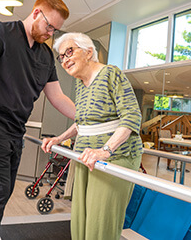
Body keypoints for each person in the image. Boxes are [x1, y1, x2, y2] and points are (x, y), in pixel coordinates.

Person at [0, 0, 76, 240]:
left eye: (56, 30)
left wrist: (89, 115)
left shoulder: (45, 56)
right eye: (49, 27)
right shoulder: (1, 34)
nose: (51, 33)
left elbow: (58, 97)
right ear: (36, 13)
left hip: (15, 133)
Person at [42, 32, 142, 240]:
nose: (65, 59)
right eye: (61, 57)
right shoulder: (81, 83)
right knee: (81, 218)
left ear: (88, 52)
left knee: (100, 223)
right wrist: (59, 139)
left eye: (70, 51)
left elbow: (131, 116)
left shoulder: (110, 73)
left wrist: (105, 151)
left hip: (114, 157)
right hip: (85, 156)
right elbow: (83, 122)